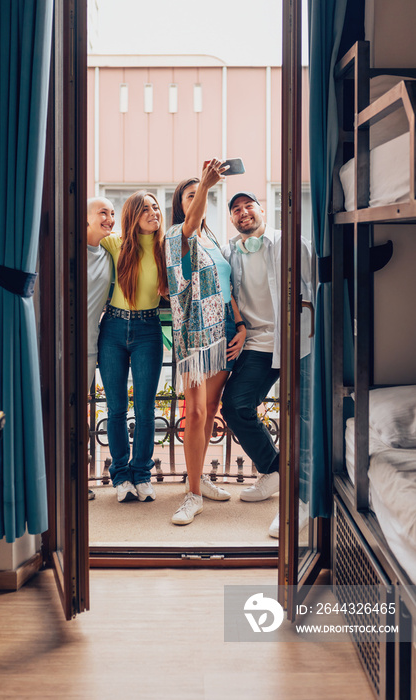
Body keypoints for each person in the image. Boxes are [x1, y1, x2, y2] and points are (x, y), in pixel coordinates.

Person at [221, 192, 312, 537]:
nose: (243, 213)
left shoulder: (289, 242)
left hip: (298, 342)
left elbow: (322, 273)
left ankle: (301, 500)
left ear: (262, 210)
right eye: (236, 210)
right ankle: (273, 469)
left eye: (248, 206)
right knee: (235, 405)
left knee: (304, 418)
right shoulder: (230, 251)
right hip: (257, 345)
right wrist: (241, 327)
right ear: (232, 218)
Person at [166, 160, 247, 525]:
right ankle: (192, 494)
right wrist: (207, 186)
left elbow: (228, 288)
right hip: (196, 336)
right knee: (195, 413)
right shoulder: (177, 236)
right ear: (182, 203)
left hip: (225, 331)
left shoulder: (214, 240)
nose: (196, 198)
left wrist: (241, 325)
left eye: (197, 193)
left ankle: (198, 479)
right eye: (190, 194)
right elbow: (190, 225)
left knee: (211, 408)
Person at [97, 191, 167, 504]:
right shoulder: (115, 244)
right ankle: (121, 475)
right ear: (133, 215)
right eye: (146, 209)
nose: (154, 212)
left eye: (156, 207)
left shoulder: (166, 248)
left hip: (149, 330)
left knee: (145, 408)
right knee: (115, 408)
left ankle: (142, 475)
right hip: (112, 328)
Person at [87, 197, 114, 500]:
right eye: (102, 213)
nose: (109, 218)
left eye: (112, 213)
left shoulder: (109, 252)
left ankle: (79, 479)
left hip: (92, 346)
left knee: (80, 414)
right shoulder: (67, 250)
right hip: (60, 345)